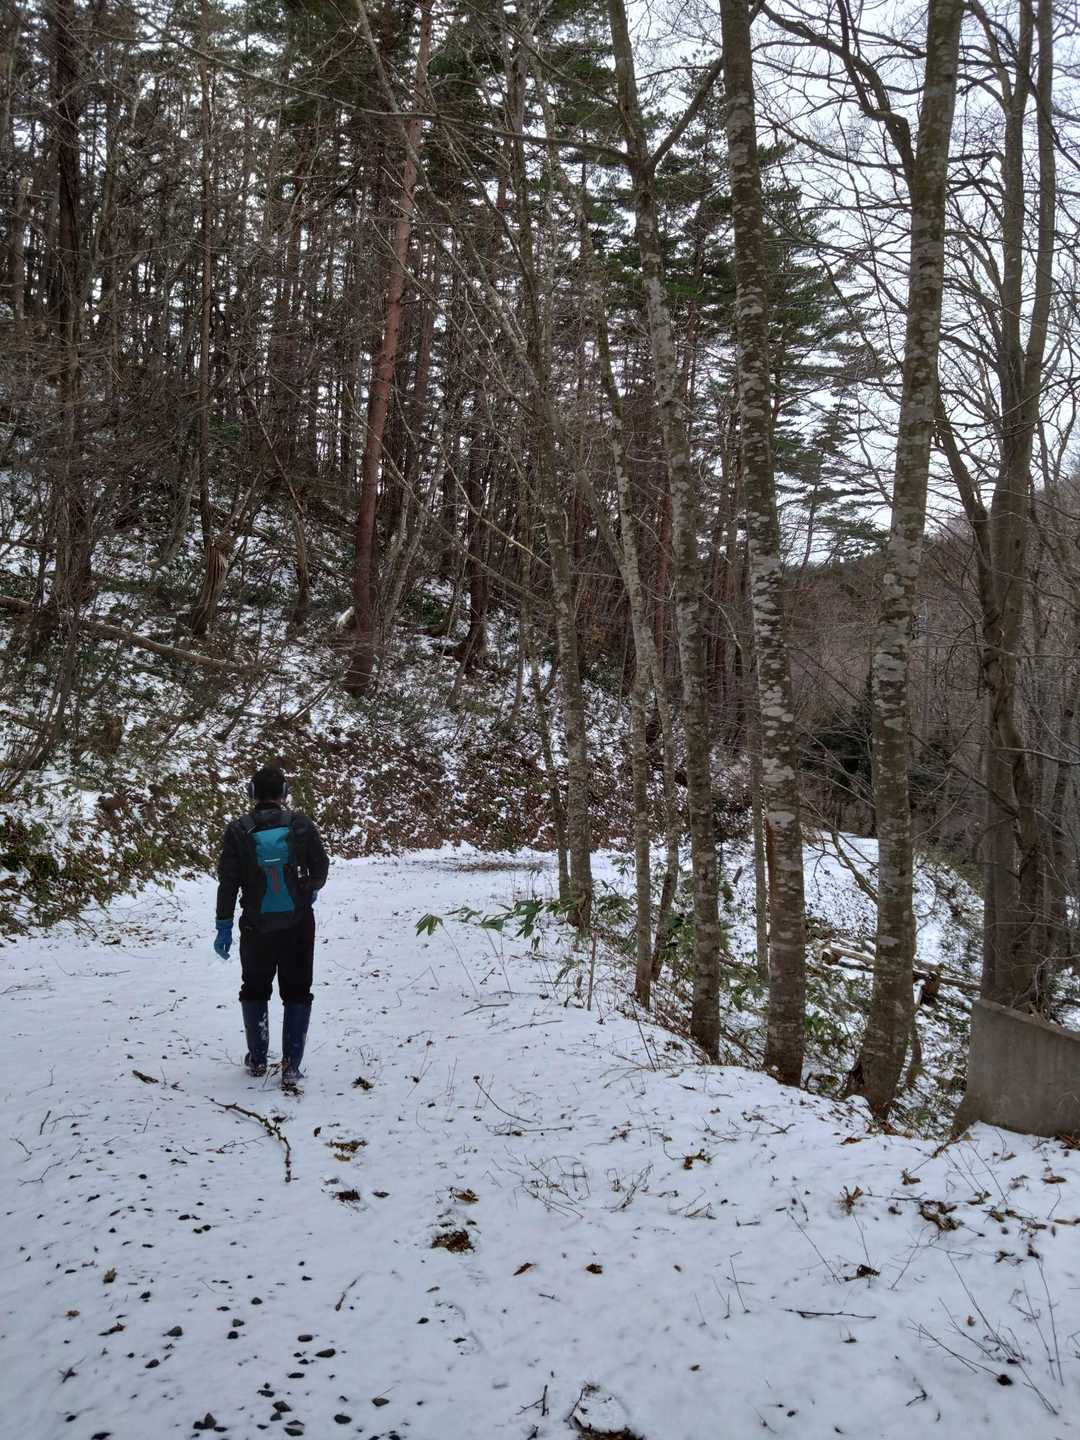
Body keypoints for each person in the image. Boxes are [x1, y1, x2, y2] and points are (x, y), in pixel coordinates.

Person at [214, 765, 329, 1089]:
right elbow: (321, 866)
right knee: (298, 990)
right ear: (285, 793)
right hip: (299, 922)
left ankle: (257, 1059)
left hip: (255, 925)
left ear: (251, 793)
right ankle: (291, 1066)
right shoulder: (301, 825)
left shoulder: (238, 830)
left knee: (254, 988)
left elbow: (228, 882)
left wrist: (223, 925)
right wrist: (309, 888)